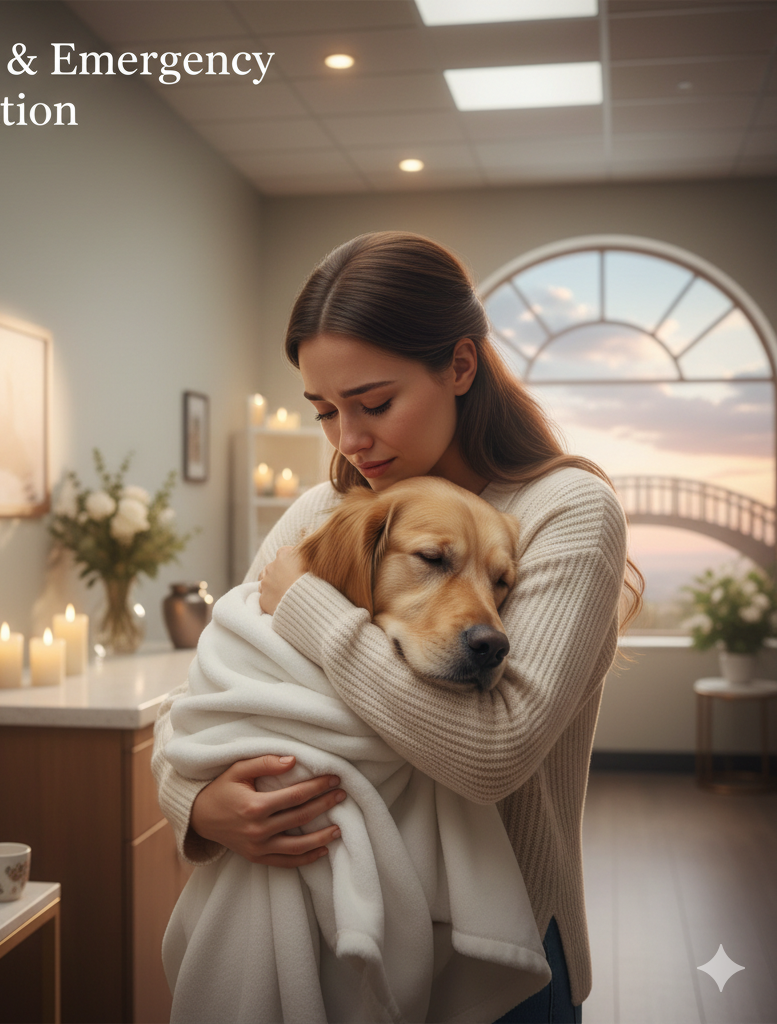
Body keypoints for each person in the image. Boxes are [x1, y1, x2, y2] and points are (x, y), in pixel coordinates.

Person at [152, 231, 642, 1024]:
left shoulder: (566, 512)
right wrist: (195, 803)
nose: (349, 440)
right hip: (323, 936)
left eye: (374, 403)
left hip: (500, 952)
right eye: (325, 410)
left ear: (459, 366)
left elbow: (491, 756)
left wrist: (309, 603)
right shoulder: (320, 513)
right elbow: (204, 698)